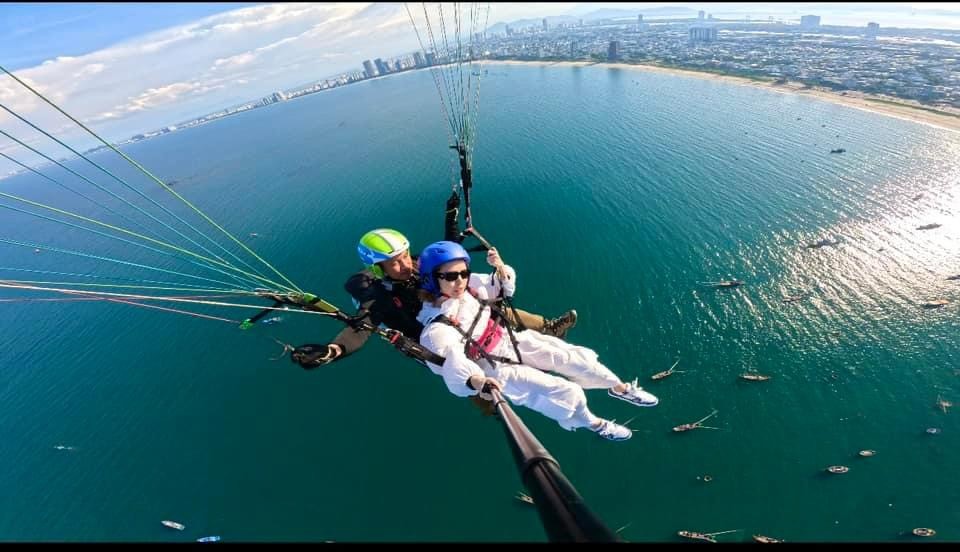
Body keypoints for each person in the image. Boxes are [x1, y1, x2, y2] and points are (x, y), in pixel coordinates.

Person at [414, 241, 660, 441]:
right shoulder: (437, 328)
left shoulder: (471, 287)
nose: (460, 280)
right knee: (564, 392)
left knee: (570, 357)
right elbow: (451, 364)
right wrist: (477, 380)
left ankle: (619, 388)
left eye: (463, 272)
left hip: (509, 339)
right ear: (431, 279)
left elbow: (501, 290)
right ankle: (595, 424)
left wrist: (500, 269)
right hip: (495, 368)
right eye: (451, 276)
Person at [290, 229, 578, 368]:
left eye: (405, 256)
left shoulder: (417, 264)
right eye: (395, 263)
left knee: (489, 305)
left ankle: (549, 327)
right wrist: (333, 350)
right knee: (468, 370)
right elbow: (361, 326)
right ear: (379, 269)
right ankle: (487, 401)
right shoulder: (379, 297)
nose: (406, 265)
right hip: (432, 339)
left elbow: (444, 260)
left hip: (450, 312)